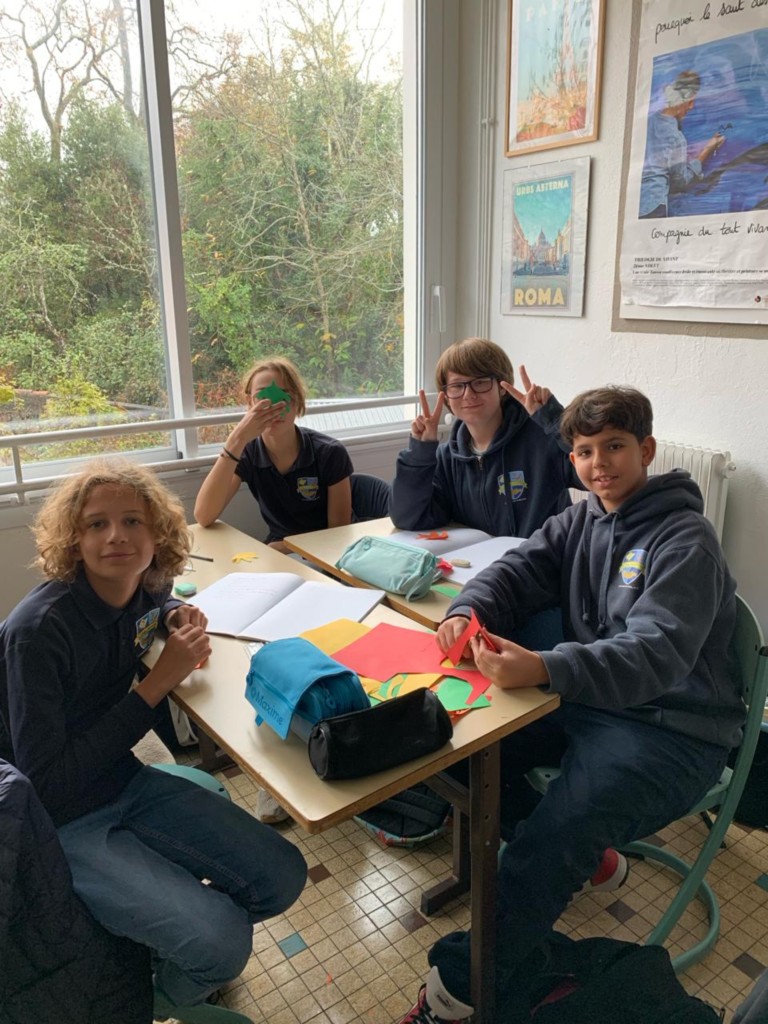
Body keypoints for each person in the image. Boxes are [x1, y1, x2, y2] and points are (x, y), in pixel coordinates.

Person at [398, 386, 743, 1023]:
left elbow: (656, 652)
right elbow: (516, 569)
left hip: (672, 730)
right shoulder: (581, 519)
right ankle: (585, 859)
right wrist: (466, 609)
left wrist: (546, 667)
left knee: (548, 844)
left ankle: (454, 993)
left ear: (646, 450)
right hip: (590, 701)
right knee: (461, 749)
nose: (598, 464)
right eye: (584, 451)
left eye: (614, 447)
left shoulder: (685, 538)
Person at [0, 459, 307, 1012]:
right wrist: (156, 686)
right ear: (74, 541)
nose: (116, 536)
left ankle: (166, 945)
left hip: (123, 778)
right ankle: (155, 1000)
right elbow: (44, 783)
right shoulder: (38, 633)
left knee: (283, 876)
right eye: (96, 524)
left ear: (157, 534)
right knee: (222, 945)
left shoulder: (139, 585)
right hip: (57, 819)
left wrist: (174, 613)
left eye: (132, 521)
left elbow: (156, 599)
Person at [389, 337, 581, 539]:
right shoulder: (447, 459)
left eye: (480, 382)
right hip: (477, 558)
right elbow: (409, 518)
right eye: (457, 386)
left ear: (502, 386)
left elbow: (593, 473)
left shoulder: (542, 439)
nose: (468, 394)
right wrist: (420, 452)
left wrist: (554, 419)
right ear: (445, 396)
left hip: (543, 557)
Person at [194, 355, 354, 553]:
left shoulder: (329, 452)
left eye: (283, 396)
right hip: (278, 551)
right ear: (250, 403)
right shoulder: (248, 452)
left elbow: (338, 535)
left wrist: (287, 546)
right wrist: (236, 439)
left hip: (323, 553)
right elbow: (204, 516)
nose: (273, 407)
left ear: (296, 401)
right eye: (262, 398)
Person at [639, 70, 725, 218]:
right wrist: (706, 151)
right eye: (691, 102)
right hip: (654, 206)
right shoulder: (675, 137)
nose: (691, 107)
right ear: (682, 101)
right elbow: (681, 182)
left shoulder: (647, 122)